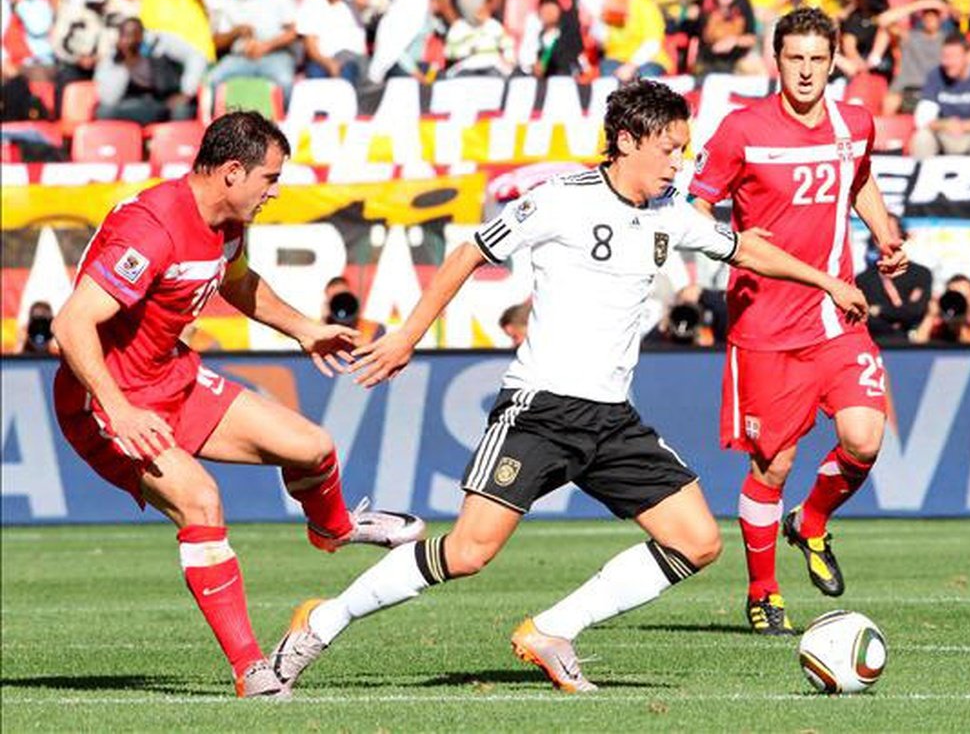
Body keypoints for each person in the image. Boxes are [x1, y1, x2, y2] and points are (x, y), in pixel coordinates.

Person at [268, 80, 869, 693]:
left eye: (683, 151)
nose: (677, 164)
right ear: (628, 141)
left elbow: (745, 252)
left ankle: (554, 630)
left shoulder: (670, 214)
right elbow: (467, 255)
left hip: (611, 420)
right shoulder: (559, 200)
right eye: (668, 150)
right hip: (540, 409)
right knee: (469, 553)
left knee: (698, 540)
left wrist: (828, 282)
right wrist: (406, 337)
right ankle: (323, 618)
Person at [50, 111, 424, 699]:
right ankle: (252, 670)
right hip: (105, 400)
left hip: (170, 376)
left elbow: (236, 281)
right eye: (268, 179)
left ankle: (334, 530)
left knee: (313, 448)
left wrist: (303, 327)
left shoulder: (225, 223)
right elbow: (71, 326)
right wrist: (119, 409)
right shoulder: (152, 227)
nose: (273, 191)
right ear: (231, 171)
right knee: (200, 502)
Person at [689, 7, 909, 635]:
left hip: (838, 314)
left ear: (835, 60)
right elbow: (694, 207)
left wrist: (885, 236)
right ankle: (763, 593)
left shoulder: (854, 123)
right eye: (796, 59)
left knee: (865, 438)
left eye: (818, 58)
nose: (807, 71)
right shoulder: (742, 129)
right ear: (775, 60)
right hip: (764, 323)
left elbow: (857, 179)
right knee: (773, 467)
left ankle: (810, 522)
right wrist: (730, 242)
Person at [95, 17, 206, 124]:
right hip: (135, 104)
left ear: (142, 35)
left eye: (133, 35)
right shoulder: (114, 57)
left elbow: (196, 56)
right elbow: (109, 99)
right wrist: (123, 63)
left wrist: (187, 92)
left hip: (166, 102)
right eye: (125, 35)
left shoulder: (160, 43)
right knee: (104, 112)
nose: (129, 40)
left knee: (181, 112)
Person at [910, 32, 970, 160]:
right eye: (944, 57)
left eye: (953, 57)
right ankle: (924, 176)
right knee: (922, 137)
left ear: (967, 56)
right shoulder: (935, 75)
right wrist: (946, 124)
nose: (947, 62)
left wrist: (963, 126)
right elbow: (923, 119)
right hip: (945, 135)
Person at [856, 215, 932, 343]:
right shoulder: (863, 279)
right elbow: (865, 319)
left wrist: (879, 310)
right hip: (876, 343)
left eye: (890, 232)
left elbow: (917, 312)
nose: (885, 237)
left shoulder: (921, 274)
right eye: (880, 232)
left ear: (901, 236)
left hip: (912, 346)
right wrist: (898, 315)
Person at [298, 0, 369, 87]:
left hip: (351, 58)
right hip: (321, 60)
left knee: (346, 78)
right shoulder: (311, 4)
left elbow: (365, 2)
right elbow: (310, 45)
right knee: (316, 77)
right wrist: (328, 63)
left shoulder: (351, 2)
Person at [911, 274, 970, 345]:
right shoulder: (939, 330)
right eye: (952, 297)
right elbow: (917, 352)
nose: (956, 302)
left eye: (962, 296)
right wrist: (930, 315)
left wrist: (960, 327)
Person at [323, 275, 385, 345]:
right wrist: (324, 321)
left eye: (344, 298)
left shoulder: (373, 329)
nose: (341, 304)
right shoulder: (317, 330)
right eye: (335, 301)